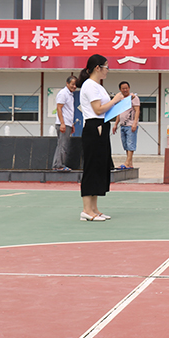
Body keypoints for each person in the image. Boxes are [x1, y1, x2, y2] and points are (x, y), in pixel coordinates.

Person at [77, 54, 126, 222]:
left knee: (99, 167)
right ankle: (86, 209)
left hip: (102, 125)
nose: (108, 70)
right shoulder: (90, 85)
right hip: (93, 127)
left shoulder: (98, 86)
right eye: (106, 67)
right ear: (97, 68)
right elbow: (97, 109)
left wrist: (121, 103)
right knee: (91, 167)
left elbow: (104, 109)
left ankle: (94, 208)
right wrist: (115, 100)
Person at [112, 81, 141, 169]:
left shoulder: (133, 98)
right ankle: (130, 163)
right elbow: (119, 112)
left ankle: (127, 162)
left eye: (126, 88)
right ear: (120, 89)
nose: (125, 90)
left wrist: (135, 123)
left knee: (130, 143)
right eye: (123, 88)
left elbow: (137, 110)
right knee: (125, 144)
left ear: (129, 88)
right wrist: (116, 124)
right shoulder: (120, 99)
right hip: (122, 125)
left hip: (130, 124)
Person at [52, 75, 76, 171]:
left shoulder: (70, 95)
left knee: (62, 144)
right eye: (72, 84)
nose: (74, 86)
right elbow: (59, 108)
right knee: (63, 145)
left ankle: (57, 165)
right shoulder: (63, 93)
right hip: (63, 124)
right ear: (67, 83)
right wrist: (62, 123)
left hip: (67, 123)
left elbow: (68, 111)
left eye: (75, 85)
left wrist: (71, 124)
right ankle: (59, 165)